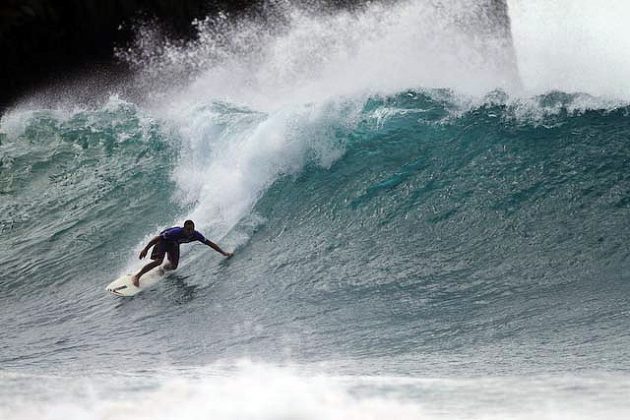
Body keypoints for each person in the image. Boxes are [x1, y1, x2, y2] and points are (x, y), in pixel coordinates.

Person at [132, 219, 233, 287]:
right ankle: (137, 276)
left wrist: (223, 253)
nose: (190, 232)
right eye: (188, 230)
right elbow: (157, 238)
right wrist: (145, 249)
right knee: (159, 261)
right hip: (163, 242)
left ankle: (162, 269)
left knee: (174, 266)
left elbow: (210, 243)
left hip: (174, 245)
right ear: (184, 229)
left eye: (191, 230)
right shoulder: (175, 232)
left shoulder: (196, 235)